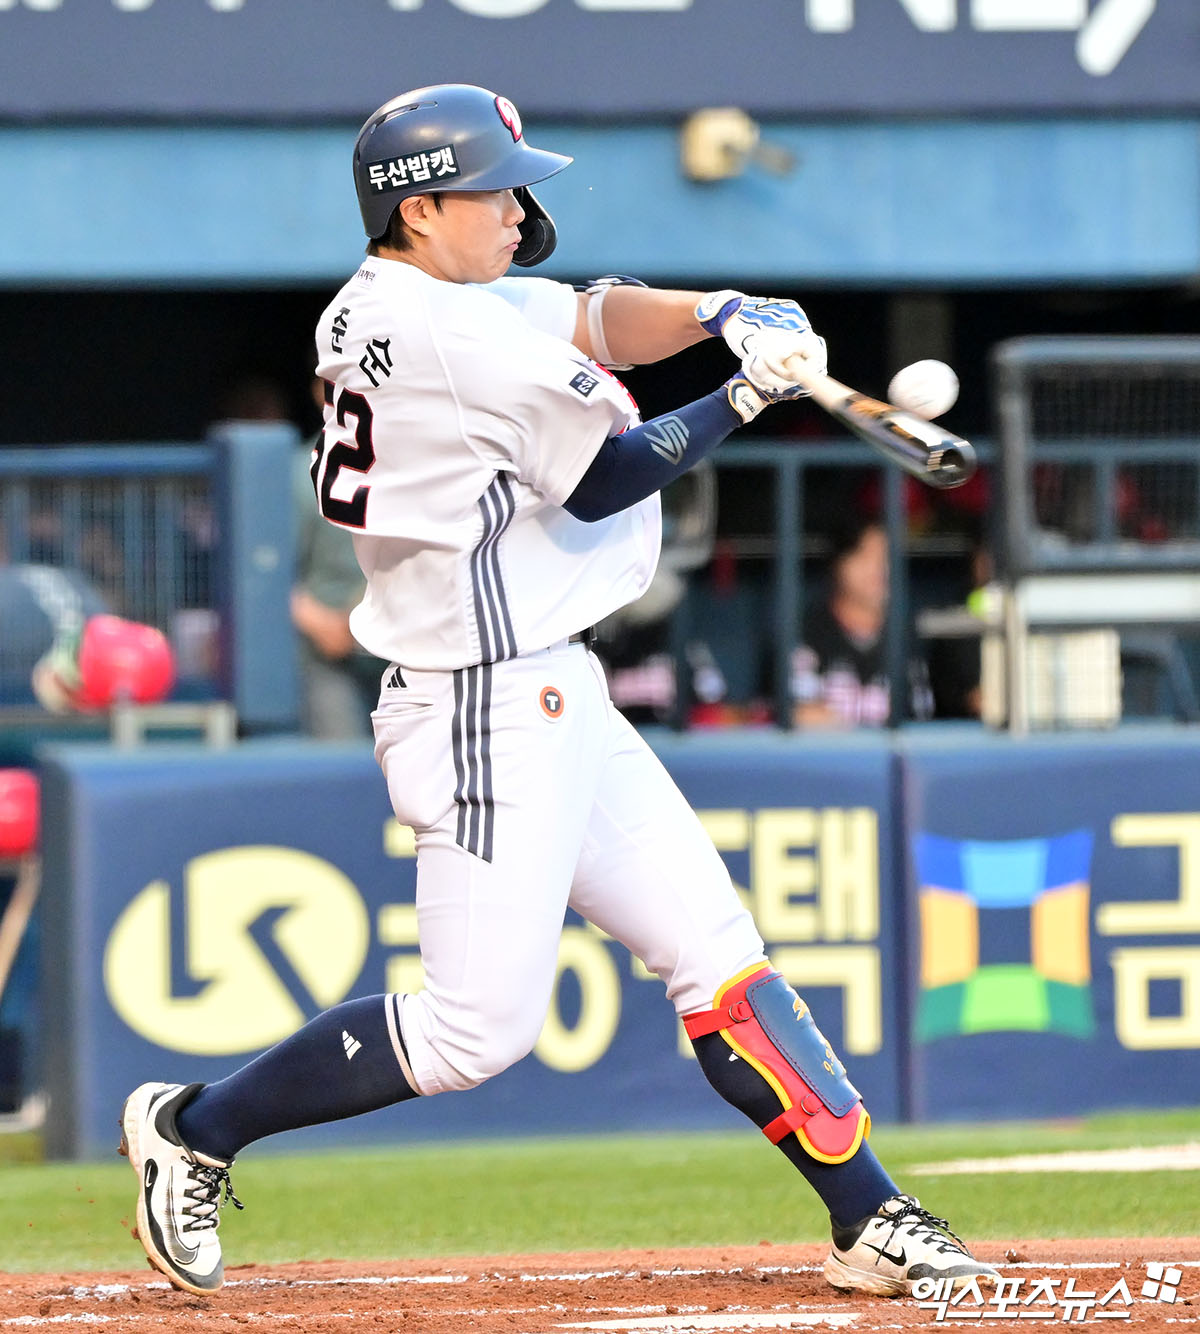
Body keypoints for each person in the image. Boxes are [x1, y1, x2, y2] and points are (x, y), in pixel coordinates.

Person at [117, 83, 999, 1302]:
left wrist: (718, 311)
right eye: (493, 190)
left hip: (550, 683)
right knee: (473, 1032)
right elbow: (606, 475)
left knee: (716, 952)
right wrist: (744, 392)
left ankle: (870, 1212)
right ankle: (194, 1126)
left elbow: (588, 315)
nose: (517, 211)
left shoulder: (400, 298)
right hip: (479, 703)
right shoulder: (450, 335)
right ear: (420, 210)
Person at [291, 376, 382, 739]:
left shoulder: (420, 463)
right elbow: (263, 573)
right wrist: (317, 620)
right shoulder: (299, 472)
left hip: (406, 651)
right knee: (342, 757)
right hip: (330, 654)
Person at [789, 518, 933, 728]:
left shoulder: (908, 634)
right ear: (838, 563)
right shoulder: (804, 632)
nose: (879, 568)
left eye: (886, 556)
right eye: (865, 555)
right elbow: (796, 716)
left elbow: (925, 722)